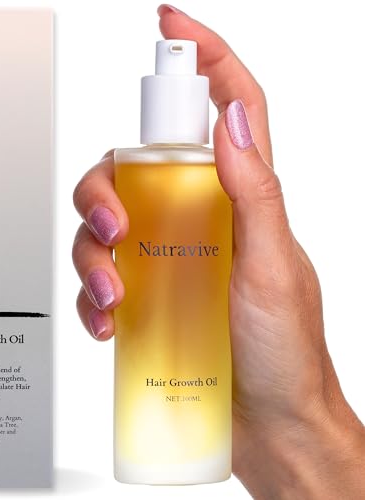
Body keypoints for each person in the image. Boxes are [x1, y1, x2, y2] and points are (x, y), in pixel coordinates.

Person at [71, 4, 365, 498]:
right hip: (147, 435)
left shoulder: (218, 174)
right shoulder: (135, 167)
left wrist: (299, 421)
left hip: (220, 428)